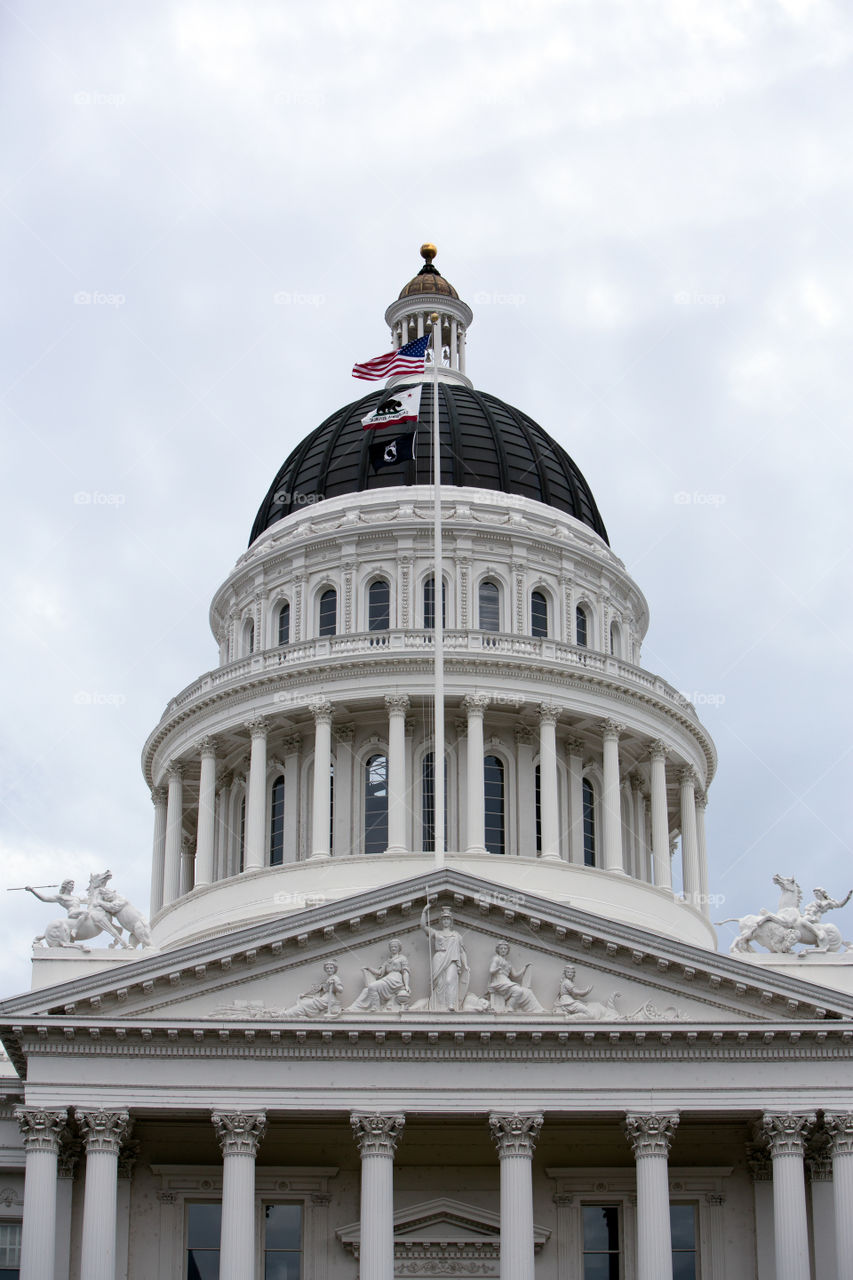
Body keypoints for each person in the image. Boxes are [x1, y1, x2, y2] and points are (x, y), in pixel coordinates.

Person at [420, 904, 469, 1011]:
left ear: (451, 921)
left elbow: (461, 951)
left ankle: (451, 1004)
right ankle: (439, 1006)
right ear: (441, 921)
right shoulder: (436, 933)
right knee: (439, 984)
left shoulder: (456, 935)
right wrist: (424, 912)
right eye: (444, 919)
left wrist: (465, 965)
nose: (446, 921)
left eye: (447, 919)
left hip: (452, 960)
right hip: (439, 958)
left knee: (449, 980)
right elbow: (423, 926)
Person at [348, 939, 411, 1011]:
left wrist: (406, 985)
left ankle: (376, 1007)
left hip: (395, 980)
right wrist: (369, 968)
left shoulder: (402, 958)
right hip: (388, 979)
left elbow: (405, 972)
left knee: (372, 986)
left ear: (399, 948)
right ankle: (354, 1008)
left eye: (395, 947)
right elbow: (379, 972)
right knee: (366, 990)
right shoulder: (388, 961)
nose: (393, 948)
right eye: (391, 947)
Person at [486, 942, 543, 1013]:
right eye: (501, 948)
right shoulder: (496, 959)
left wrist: (525, 968)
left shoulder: (509, 963)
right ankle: (509, 1006)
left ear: (507, 950)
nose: (503, 950)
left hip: (506, 981)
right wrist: (497, 969)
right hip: (499, 981)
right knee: (518, 991)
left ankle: (512, 1006)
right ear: (498, 950)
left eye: (505, 948)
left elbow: (515, 975)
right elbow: (491, 970)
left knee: (524, 991)